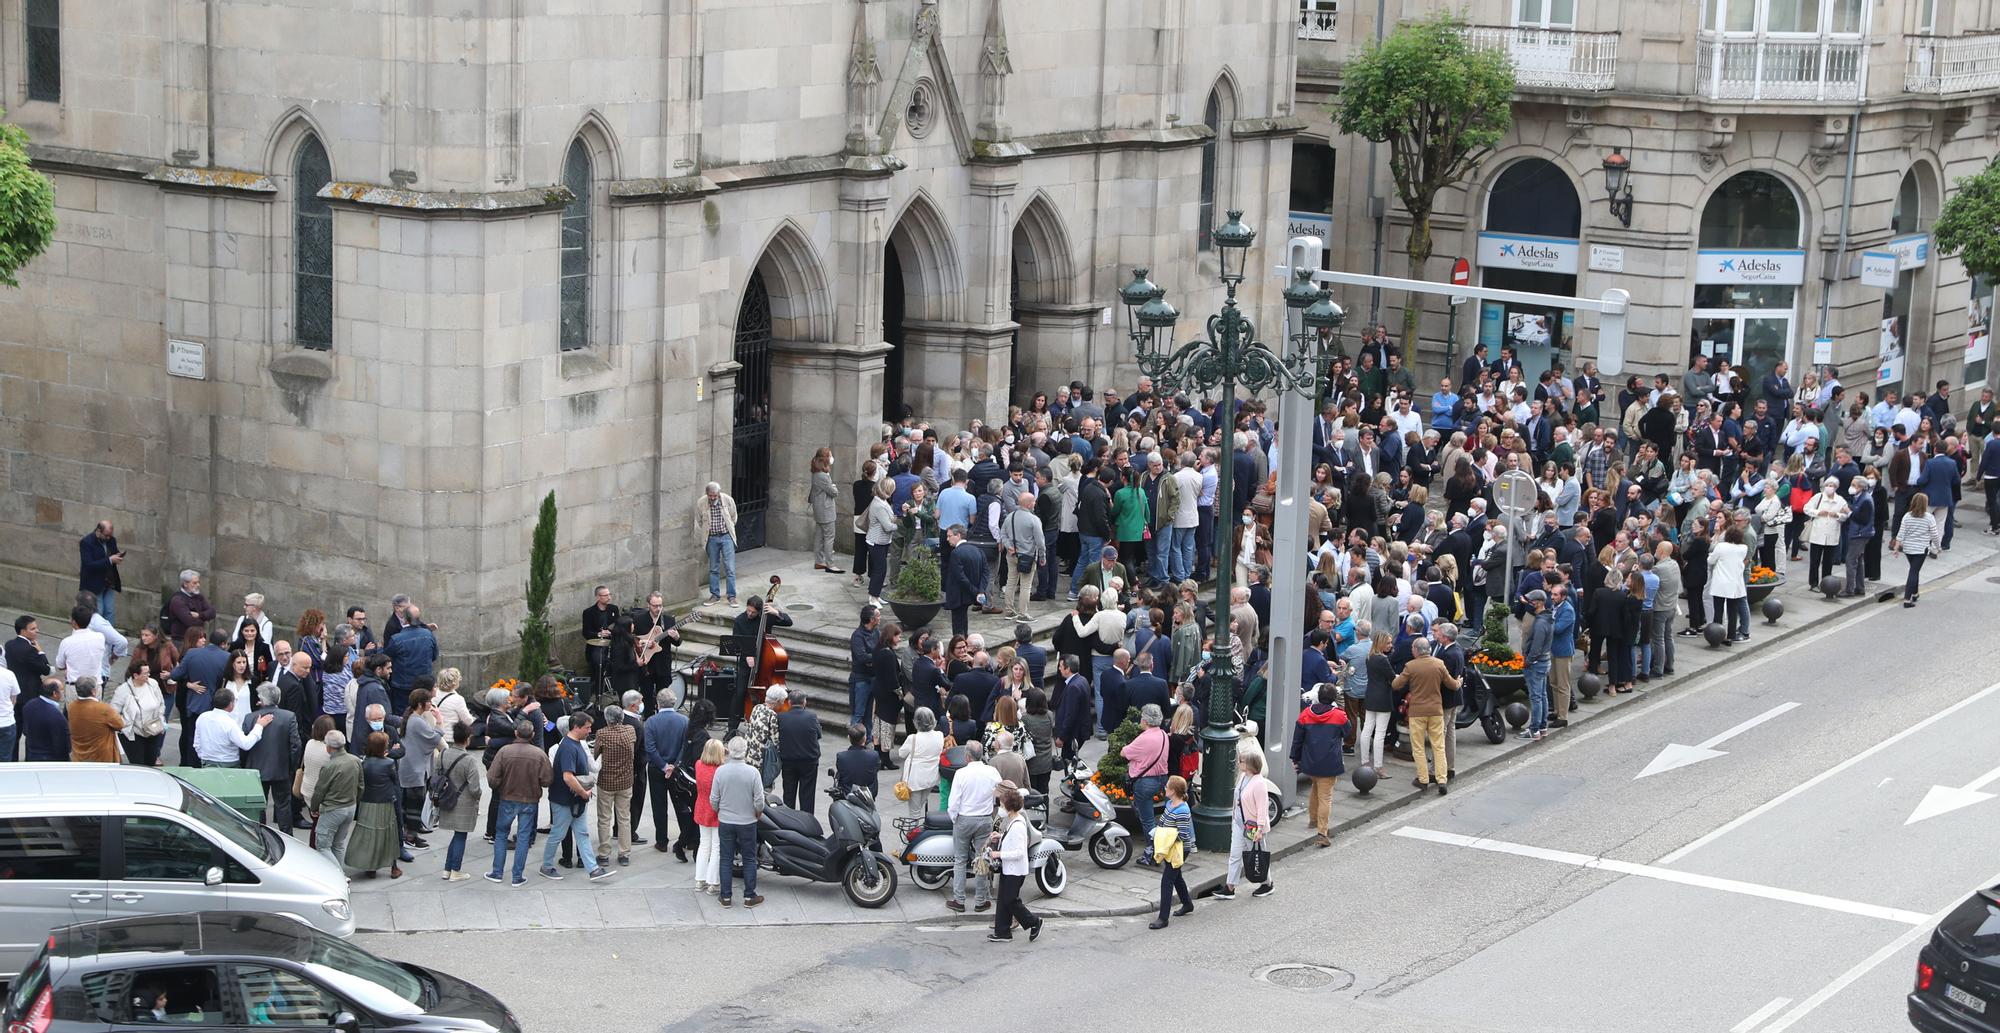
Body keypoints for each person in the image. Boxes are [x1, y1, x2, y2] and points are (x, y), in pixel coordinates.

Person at [544, 712, 614, 881]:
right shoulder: (568, 747)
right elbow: (567, 776)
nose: (590, 731)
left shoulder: (576, 744)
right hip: (565, 800)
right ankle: (546, 866)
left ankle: (593, 869)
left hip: (574, 799)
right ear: (576, 727)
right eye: (587, 727)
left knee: (582, 833)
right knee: (558, 834)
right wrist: (583, 792)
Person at [484, 720, 551, 885]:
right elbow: (547, 780)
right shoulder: (539, 754)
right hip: (529, 800)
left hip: (507, 798)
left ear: (516, 733)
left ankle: (497, 872)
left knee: (501, 834)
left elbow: (492, 778)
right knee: (523, 837)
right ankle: (517, 876)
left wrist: (501, 785)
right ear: (533, 735)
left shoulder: (504, 751)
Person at [1393, 638, 1460, 795]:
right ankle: (1442, 779)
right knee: (1439, 745)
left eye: (1412, 649)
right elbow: (1451, 684)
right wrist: (1458, 682)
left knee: (1418, 746)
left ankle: (1423, 779)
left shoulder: (1411, 666)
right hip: (1436, 710)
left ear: (1416, 650)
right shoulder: (1439, 664)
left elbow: (1397, 685)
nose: (1411, 651)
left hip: (1417, 712)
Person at [1290, 682, 1348, 847]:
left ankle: (1313, 820)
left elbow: (1297, 739)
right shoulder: (1339, 715)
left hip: (1310, 762)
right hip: (1329, 762)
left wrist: (1295, 759)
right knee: (1325, 796)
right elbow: (1347, 731)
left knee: (1315, 788)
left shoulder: (1305, 714)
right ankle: (1322, 832)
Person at [947, 740, 1001, 913]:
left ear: (967, 756)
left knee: (960, 860)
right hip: (984, 819)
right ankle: (980, 900)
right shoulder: (991, 771)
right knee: (981, 860)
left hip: (964, 819)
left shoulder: (961, 773)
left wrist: (954, 817)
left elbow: (954, 801)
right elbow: (1000, 791)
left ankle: (959, 899)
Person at [986, 782, 1045, 943]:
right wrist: (1000, 836)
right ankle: (1002, 932)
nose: (1000, 807)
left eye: (1002, 804)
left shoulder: (1017, 824)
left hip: (1015, 869)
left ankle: (1034, 922)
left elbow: (1019, 852)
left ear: (1009, 807)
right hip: (1010, 868)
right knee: (1005, 899)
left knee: (1010, 900)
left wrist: (999, 853)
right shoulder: (1014, 820)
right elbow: (1010, 838)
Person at [711, 736, 765, 906]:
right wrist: (757, 812)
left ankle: (725, 896)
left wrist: (719, 810)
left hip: (726, 820)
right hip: (747, 821)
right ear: (745, 751)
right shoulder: (753, 772)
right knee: (749, 858)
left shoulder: (720, 771)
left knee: (725, 858)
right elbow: (759, 800)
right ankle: (749, 896)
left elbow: (714, 799)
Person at [242, 683, 302, 829]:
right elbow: (296, 745)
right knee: (283, 806)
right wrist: (292, 767)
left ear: (261, 700)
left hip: (256, 770)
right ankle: (287, 838)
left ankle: (260, 837)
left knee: (258, 806)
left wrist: (245, 767)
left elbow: (244, 747)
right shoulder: (288, 717)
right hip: (281, 769)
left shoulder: (250, 717)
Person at [1216, 749, 1273, 900]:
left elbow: (1262, 807)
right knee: (1234, 855)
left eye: (1241, 761)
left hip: (1253, 826)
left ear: (1249, 765)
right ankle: (1230, 887)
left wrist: (1260, 829)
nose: (1239, 763)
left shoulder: (1259, 783)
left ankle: (1268, 883)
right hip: (1239, 823)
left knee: (1258, 855)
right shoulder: (1242, 777)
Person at [349, 731, 405, 879]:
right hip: (385, 802)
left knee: (369, 834)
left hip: (367, 802)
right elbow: (394, 780)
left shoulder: (364, 763)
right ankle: (393, 867)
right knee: (389, 833)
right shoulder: (388, 763)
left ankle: (371, 866)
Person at [434, 721, 485, 881]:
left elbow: (437, 775)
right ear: (467, 739)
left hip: (446, 800)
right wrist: (478, 797)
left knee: (457, 836)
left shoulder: (442, 753)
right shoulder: (469, 760)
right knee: (460, 835)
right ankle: (455, 870)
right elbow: (475, 788)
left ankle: (447, 869)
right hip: (464, 803)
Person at [1121, 704, 1170, 864]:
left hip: (1145, 782)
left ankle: (1153, 853)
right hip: (1161, 778)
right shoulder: (1163, 734)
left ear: (1145, 720)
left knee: (1147, 819)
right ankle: (1159, 847)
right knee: (1151, 817)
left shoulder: (1144, 738)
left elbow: (1124, 753)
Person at [643, 688, 690, 855]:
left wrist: (663, 766)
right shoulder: (684, 720)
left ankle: (662, 841)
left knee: (659, 806)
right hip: (677, 770)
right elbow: (685, 746)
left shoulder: (650, 722)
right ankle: (687, 839)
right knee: (681, 804)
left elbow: (650, 748)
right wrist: (674, 765)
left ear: (657, 703)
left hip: (657, 769)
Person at [593, 703, 640, 868]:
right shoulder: (630, 731)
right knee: (624, 818)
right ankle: (624, 853)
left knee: (604, 819)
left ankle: (604, 854)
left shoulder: (602, 733)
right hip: (626, 781)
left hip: (606, 781)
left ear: (607, 719)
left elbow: (596, 754)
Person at [1147, 775, 1196, 929]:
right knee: (1176, 877)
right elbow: (1162, 822)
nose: (1165, 788)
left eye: (1167, 787)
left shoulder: (1182, 810)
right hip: (1170, 848)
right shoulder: (1169, 804)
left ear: (1173, 791)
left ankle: (1163, 918)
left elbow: (1183, 835)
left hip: (1179, 849)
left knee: (1167, 880)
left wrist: (1164, 837)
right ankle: (1187, 904)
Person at [308, 731, 362, 865]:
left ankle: (340, 876)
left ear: (328, 747)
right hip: (350, 807)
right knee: (338, 844)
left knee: (322, 846)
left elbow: (319, 791)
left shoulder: (329, 766)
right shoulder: (355, 760)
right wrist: (355, 801)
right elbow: (361, 786)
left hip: (333, 810)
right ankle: (342, 875)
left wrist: (314, 808)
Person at [112, 662, 169, 766]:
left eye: (149, 672)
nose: (148, 675)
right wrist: (124, 725)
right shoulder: (123, 690)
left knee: (151, 762)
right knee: (138, 764)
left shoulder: (153, 684)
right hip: (133, 734)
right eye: (145, 673)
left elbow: (161, 704)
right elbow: (114, 712)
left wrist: (160, 718)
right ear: (135, 675)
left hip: (153, 730)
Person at [1891, 492, 1941, 606]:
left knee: (1914, 569)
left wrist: (1896, 547)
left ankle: (1915, 593)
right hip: (1921, 549)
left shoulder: (1907, 516)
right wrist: (1938, 547)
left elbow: (1901, 533)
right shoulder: (1929, 518)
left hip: (1908, 548)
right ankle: (1907, 598)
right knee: (1913, 571)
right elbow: (1934, 535)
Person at [776, 689, 822, 811]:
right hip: (809, 761)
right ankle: (807, 823)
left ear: (789, 702)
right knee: (807, 794)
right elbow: (818, 734)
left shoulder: (781, 717)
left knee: (789, 793)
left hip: (788, 761)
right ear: (804, 702)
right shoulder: (812, 716)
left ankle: (789, 821)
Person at [690, 737, 726, 892]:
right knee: (716, 847)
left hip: (702, 807)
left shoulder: (698, 765)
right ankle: (713, 882)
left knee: (704, 845)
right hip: (717, 811)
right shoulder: (721, 770)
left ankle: (700, 879)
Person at [696, 482, 741, 605]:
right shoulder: (701, 503)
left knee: (730, 568)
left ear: (718, 493)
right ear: (707, 494)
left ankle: (731, 596)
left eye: (715, 495)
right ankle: (714, 595)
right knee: (713, 568)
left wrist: (728, 530)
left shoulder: (727, 500)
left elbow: (733, 517)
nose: (712, 498)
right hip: (712, 538)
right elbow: (700, 521)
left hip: (726, 536)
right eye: (710, 496)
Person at [942, 524, 989, 638]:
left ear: (958, 535)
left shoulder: (956, 553)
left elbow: (960, 577)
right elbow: (985, 573)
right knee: (964, 623)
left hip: (959, 595)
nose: (947, 539)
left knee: (958, 627)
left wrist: (976, 591)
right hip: (970, 594)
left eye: (949, 536)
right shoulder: (978, 550)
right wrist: (981, 591)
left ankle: (959, 649)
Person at [1802, 477, 1850, 588]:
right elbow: (1806, 508)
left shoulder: (1840, 500)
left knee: (1828, 562)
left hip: (1831, 535)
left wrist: (1837, 515)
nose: (1829, 487)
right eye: (1827, 485)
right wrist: (1818, 512)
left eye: (1832, 485)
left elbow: (1845, 515)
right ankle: (1813, 584)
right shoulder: (1818, 497)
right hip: (1817, 534)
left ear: (1836, 487)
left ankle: (1826, 584)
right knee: (1814, 561)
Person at [898, 707, 945, 817]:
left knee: (914, 811)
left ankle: (913, 833)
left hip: (915, 780)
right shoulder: (939, 735)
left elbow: (901, 753)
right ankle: (918, 831)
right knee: (920, 806)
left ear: (916, 722)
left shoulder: (913, 738)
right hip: (931, 778)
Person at [66, 677, 125, 763]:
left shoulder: (71, 707)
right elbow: (120, 724)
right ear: (93, 691)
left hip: (79, 756)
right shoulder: (103, 708)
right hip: (101, 757)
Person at [78, 520, 124, 622]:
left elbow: (114, 552)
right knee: (99, 611)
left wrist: (118, 557)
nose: (108, 538)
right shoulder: (86, 542)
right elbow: (89, 565)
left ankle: (109, 636)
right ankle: (98, 636)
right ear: (98, 531)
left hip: (109, 581)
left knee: (110, 611)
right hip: (94, 583)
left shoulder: (111, 540)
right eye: (106, 535)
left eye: (110, 536)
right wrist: (109, 560)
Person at [810, 447, 845, 574]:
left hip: (820, 510)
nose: (831, 458)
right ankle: (830, 564)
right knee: (829, 537)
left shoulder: (816, 473)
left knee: (819, 537)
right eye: (830, 455)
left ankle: (819, 561)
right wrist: (834, 486)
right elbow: (834, 492)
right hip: (826, 511)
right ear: (824, 459)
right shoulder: (822, 476)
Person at [835, 723, 882, 797]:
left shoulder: (841, 757)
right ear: (865, 738)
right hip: (868, 795)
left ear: (849, 738)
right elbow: (876, 769)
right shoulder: (874, 755)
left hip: (847, 795)